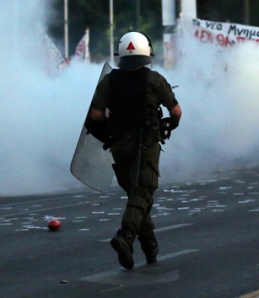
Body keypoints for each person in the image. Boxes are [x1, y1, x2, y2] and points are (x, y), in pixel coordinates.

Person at [86, 32, 182, 269]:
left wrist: (110, 130)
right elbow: (176, 112)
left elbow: (95, 115)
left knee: (135, 194)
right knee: (144, 192)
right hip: (146, 144)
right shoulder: (154, 79)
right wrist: (169, 125)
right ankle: (126, 235)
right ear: (146, 53)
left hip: (119, 145)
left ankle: (149, 246)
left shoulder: (109, 80)